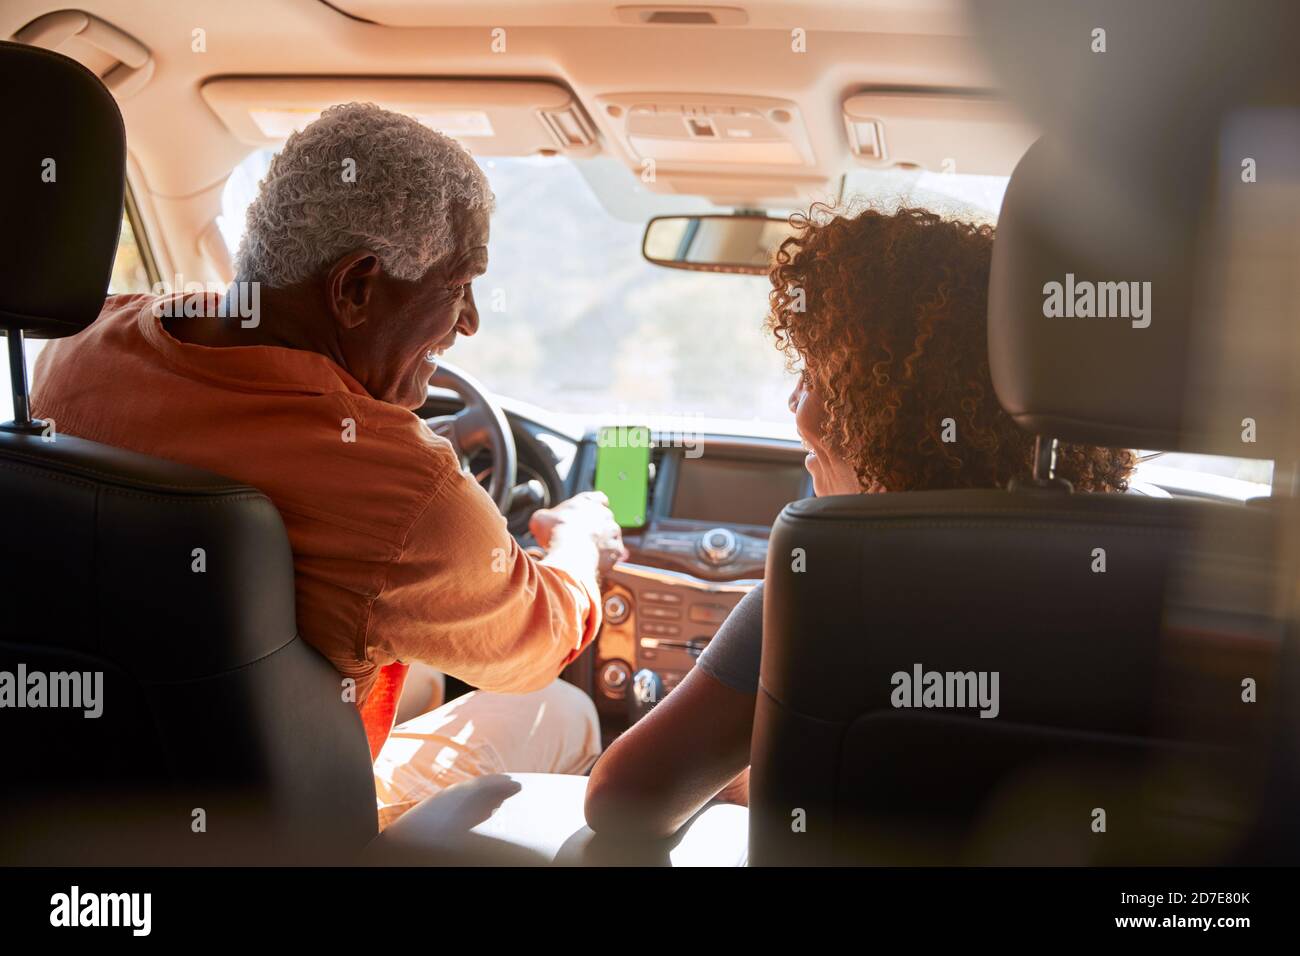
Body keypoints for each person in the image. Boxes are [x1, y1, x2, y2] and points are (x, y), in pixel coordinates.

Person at [31, 103, 626, 827]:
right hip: (290, 832)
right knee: (559, 709)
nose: (470, 320)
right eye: (458, 284)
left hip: (64, 792)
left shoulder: (80, 346)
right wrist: (578, 545)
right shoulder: (406, 491)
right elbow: (538, 644)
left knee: (418, 667)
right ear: (355, 289)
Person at [583, 204, 1137, 837]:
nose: (795, 404)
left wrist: (757, 761)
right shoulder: (1162, 575)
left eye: (818, 375)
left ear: (889, 411)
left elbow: (622, 801)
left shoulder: (828, 579)